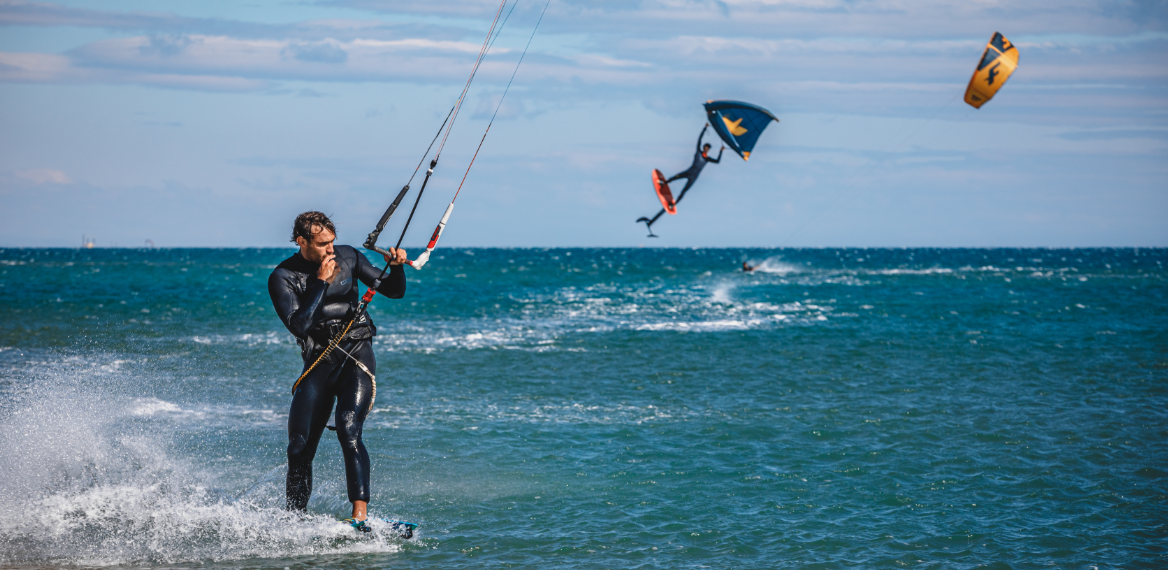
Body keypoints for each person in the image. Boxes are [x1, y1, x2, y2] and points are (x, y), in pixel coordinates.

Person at [268, 211, 407, 531]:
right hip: (318, 361)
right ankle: (294, 520)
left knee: (348, 428)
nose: (331, 249)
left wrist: (397, 267)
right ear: (302, 242)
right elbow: (299, 326)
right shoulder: (283, 276)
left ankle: (360, 515)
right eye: (321, 244)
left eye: (332, 241)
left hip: (356, 353)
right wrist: (319, 282)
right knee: (299, 447)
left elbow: (394, 290)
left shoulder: (348, 256)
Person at [638, 124, 724, 234]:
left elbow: (717, 161)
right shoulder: (698, 151)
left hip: (693, 177)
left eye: (708, 148)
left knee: (683, 192)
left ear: (709, 150)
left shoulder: (708, 159)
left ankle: (673, 204)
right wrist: (704, 128)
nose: (706, 149)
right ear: (703, 147)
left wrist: (721, 151)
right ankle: (663, 183)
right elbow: (699, 139)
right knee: (674, 177)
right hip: (688, 172)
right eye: (705, 147)